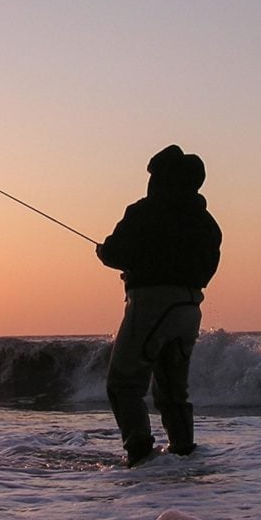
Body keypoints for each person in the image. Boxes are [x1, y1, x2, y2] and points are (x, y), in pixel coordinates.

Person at [96, 144, 222, 467]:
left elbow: (114, 251)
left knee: (123, 382)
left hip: (150, 303)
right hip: (190, 306)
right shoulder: (207, 222)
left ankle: (139, 453)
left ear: (161, 178)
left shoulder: (145, 211)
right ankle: (183, 452)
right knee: (173, 391)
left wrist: (105, 252)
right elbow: (209, 266)